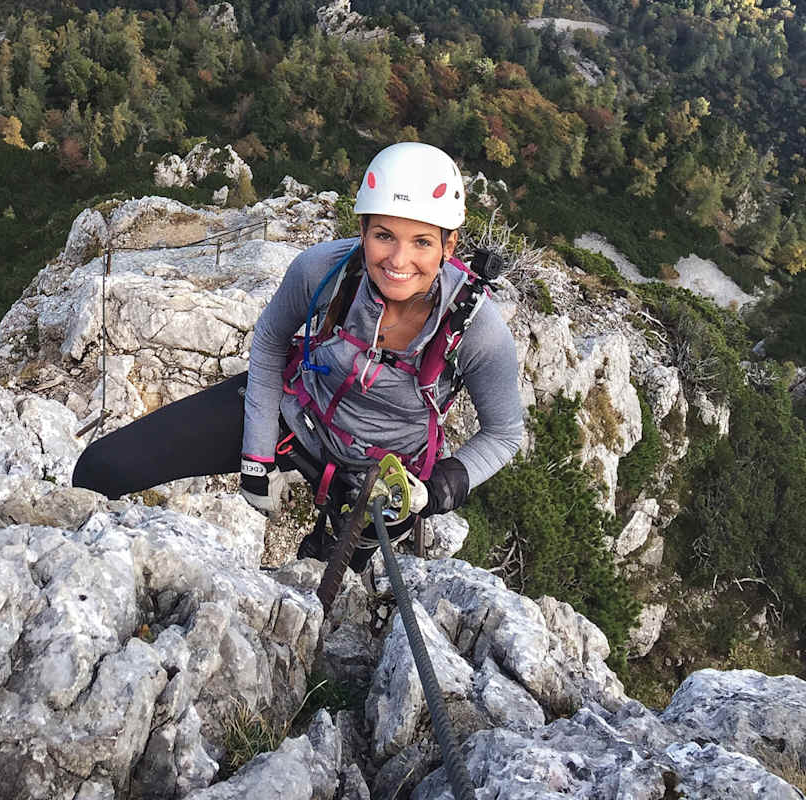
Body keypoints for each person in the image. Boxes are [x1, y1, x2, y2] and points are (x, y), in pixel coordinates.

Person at [73, 142, 523, 568]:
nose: (399, 260)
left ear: (449, 246)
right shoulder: (322, 270)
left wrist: (441, 485)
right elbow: (270, 338)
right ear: (362, 230)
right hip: (298, 418)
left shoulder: (476, 328)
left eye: (422, 242)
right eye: (384, 235)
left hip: (383, 476)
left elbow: (504, 433)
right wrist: (256, 455)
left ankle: (326, 547)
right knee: (101, 468)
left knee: (321, 587)